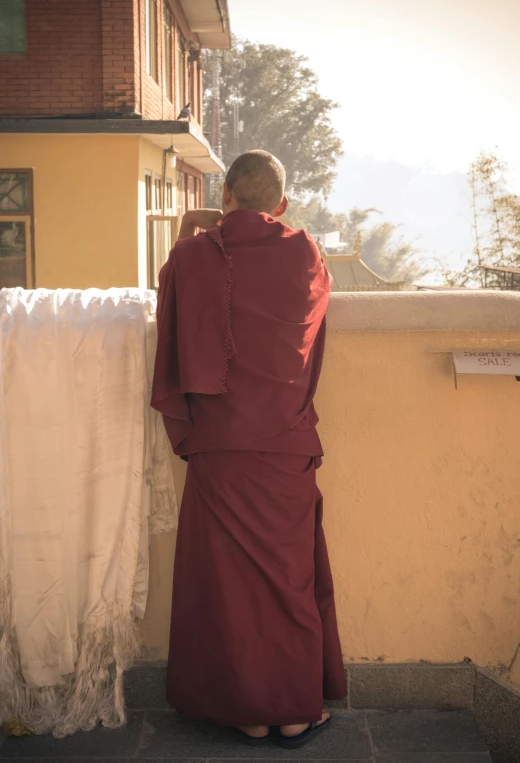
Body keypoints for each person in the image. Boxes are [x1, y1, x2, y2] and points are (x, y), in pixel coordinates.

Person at [151, 150, 346, 749]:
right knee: (287, 580)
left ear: (225, 193)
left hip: (219, 446)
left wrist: (197, 226)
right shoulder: (307, 253)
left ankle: (246, 713)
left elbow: (172, 303)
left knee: (228, 587)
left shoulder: (191, 254)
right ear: (281, 205)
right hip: (284, 445)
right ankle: (293, 712)